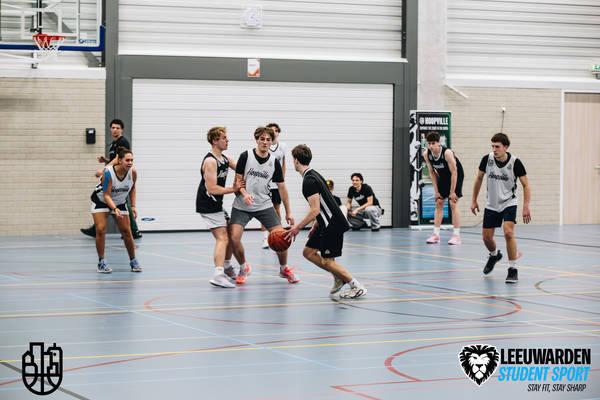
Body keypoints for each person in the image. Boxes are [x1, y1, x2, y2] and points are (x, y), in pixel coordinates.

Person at [284, 145, 367, 299]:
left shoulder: (309, 180)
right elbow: (324, 204)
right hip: (324, 223)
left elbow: (315, 209)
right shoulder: (314, 174)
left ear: (295, 160)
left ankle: (356, 286)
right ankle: (338, 277)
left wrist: (297, 228)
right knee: (308, 252)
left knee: (328, 262)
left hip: (333, 224)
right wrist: (316, 225)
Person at [229, 126, 297, 284]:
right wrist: (245, 194)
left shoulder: (274, 162)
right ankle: (244, 267)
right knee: (234, 238)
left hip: (264, 204)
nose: (265, 142)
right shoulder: (246, 156)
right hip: (242, 205)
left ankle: (283, 269)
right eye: (262, 139)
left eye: (268, 139)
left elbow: (282, 188)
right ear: (256, 139)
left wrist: (288, 212)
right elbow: (237, 181)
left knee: (281, 236)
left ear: (272, 142)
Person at [471, 132, 531, 284]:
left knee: (508, 233)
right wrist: (474, 200)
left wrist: (525, 206)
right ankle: (494, 255)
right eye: (492, 146)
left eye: (497, 147)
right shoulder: (487, 159)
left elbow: (526, 185)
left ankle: (512, 269)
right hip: (492, 203)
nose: (494, 149)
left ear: (506, 147)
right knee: (486, 237)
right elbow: (478, 179)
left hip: (509, 202)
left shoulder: (515, 162)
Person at [196, 127, 245, 288]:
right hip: (207, 203)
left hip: (216, 203)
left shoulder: (224, 158)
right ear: (214, 140)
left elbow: (241, 168)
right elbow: (212, 189)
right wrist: (234, 189)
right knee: (222, 237)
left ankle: (226, 266)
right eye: (224, 138)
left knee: (230, 233)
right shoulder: (210, 161)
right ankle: (218, 274)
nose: (227, 140)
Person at [81, 119, 142, 239]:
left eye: (117, 128)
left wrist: (103, 169)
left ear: (121, 129)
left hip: (120, 176)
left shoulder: (122, 142)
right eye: (113, 128)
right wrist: (105, 160)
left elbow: (120, 158)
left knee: (123, 202)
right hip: (113, 175)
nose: (115, 130)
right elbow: (117, 160)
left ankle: (133, 231)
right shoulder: (113, 143)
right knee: (109, 200)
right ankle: (96, 229)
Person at [91, 148, 142, 273]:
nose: (130, 163)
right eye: (127, 160)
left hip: (119, 201)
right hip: (101, 200)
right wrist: (114, 209)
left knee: (126, 231)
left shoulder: (133, 172)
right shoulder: (108, 173)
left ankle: (133, 260)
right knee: (101, 229)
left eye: (132, 160)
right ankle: (101, 262)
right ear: (119, 161)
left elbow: (133, 189)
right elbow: (106, 195)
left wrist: (133, 206)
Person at [422, 131, 464, 245]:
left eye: (433, 143)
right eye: (429, 143)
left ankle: (456, 236)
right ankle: (436, 235)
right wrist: (436, 191)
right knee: (439, 202)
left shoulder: (447, 153)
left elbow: (454, 172)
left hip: (456, 175)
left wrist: (452, 192)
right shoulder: (426, 154)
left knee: (453, 203)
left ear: (438, 143)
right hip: (443, 176)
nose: (431, 146)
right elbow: (432, 173)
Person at [260, 123, 287, 249]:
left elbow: (283, 163)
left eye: (276, 130)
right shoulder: (265, 145)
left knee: (277, 209)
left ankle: (278, 233)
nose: (274, 132)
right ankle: (266, 238)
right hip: (265, 183)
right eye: (271, 130)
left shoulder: (282, 146)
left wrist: (282, 179)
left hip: (276, 184)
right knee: (264, 210)